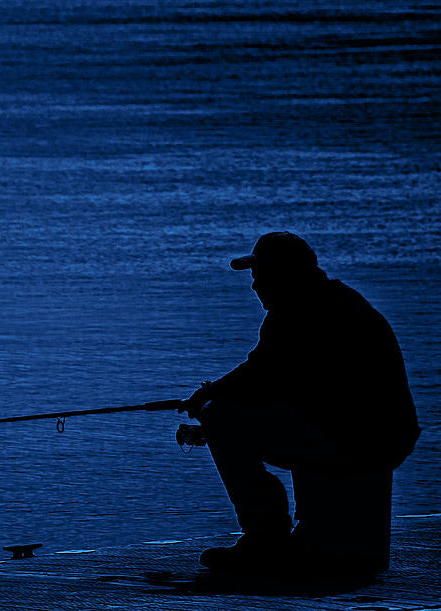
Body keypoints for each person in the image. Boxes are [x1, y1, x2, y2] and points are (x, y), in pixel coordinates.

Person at [180, 231, 420, 576]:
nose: (254, 287)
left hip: (358, 439)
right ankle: (297, 533)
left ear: (282, 275)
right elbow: (276, 378)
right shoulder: (339, 301)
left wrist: (210, 397)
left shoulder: (297, 312)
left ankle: (266, 537)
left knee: (221, 417)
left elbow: (261, 375)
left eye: (258, 276)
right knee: (234, 414)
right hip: (386, 435)